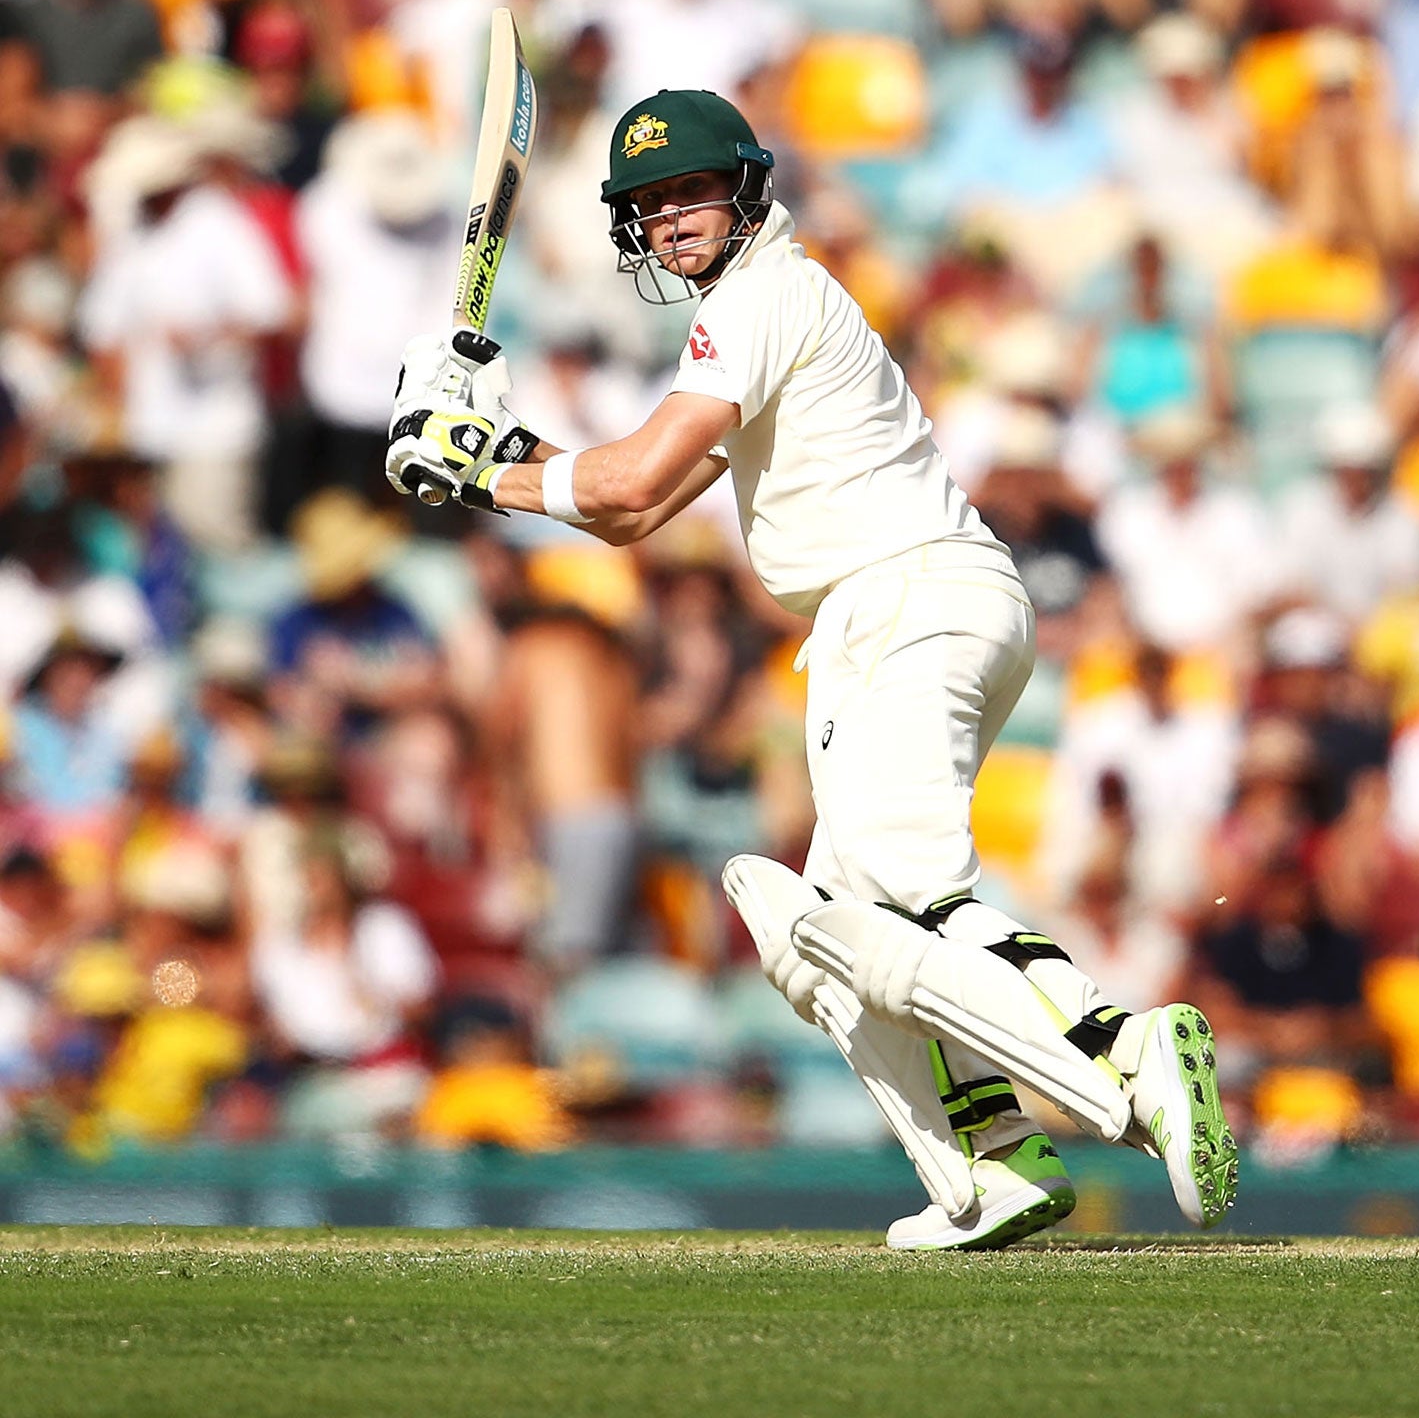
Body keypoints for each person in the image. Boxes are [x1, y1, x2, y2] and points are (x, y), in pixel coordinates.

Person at [381, 88, 1234, 1248]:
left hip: (905, 595)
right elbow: (639, 508)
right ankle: (989, 1164)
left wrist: (478, 469)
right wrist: (493, 439)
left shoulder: (762, 292)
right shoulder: (757, 309)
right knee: (822, 930)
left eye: (692, 190)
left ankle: (1118, 1048)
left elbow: (627, 483)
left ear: (744, 189)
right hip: (893, 609)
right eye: (650, 203)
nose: (674, 218)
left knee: (899, 888)